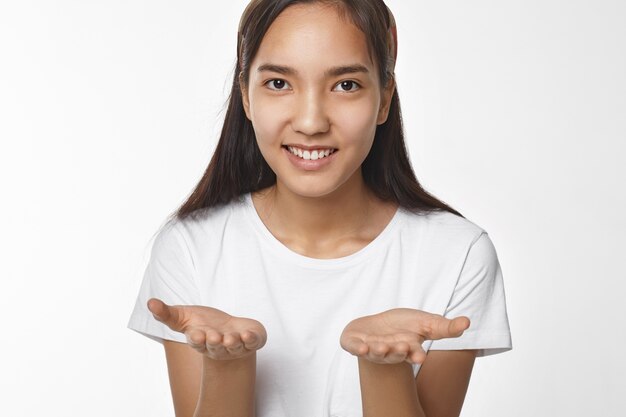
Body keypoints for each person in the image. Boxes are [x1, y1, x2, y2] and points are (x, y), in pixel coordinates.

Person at [127, 1, 512, 416]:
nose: (311, 122)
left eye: (345, 85)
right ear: (246, 97)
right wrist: (228, 364)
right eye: (278, 83)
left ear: (384, 99)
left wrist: (385, 369)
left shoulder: (456, 254)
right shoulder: (190, 247)